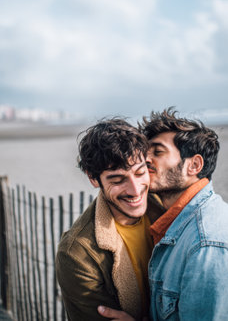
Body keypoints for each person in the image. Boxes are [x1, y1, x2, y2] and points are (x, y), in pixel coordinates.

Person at [98, 108, 228, 321]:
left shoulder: (206, 245)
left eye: (157, 152)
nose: (144, 160)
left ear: (194, 165)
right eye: (145, 152)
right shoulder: (177, 221)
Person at [55, 118, 164, 321]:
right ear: (93, 179)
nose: (135, 189)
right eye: (117, 180)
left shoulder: (165, 206)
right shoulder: (76, 254)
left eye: (140, 172)